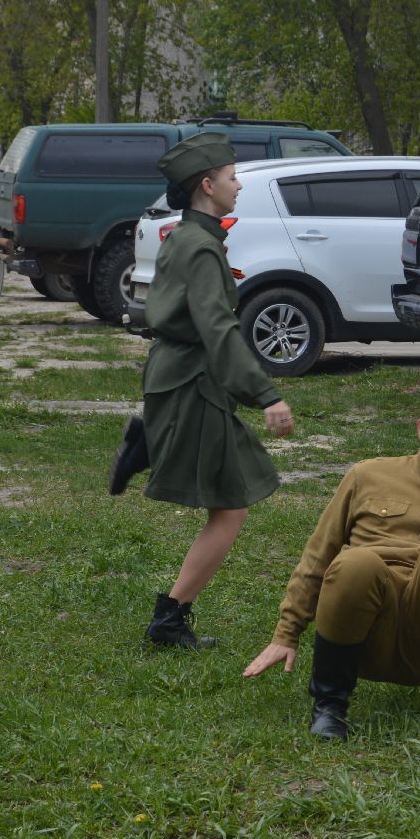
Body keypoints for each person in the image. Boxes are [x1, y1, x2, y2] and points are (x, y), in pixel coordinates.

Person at [107, 132, 295, 649]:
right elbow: (217, 327)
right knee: (231, 507)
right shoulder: (202, 247)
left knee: (233, 498)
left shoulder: (187, 237)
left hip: (182, 379)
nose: (238, 185)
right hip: (191, 381)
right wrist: (266, 395)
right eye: (233, 178)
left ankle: (148, 444)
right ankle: (168, 621)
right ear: (208, 186)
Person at [243, 374, 420, 740]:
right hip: (363, 635)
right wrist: (286, 633)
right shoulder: (367, 475)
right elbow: (319, 555)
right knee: (356, 562)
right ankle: (329, 708)